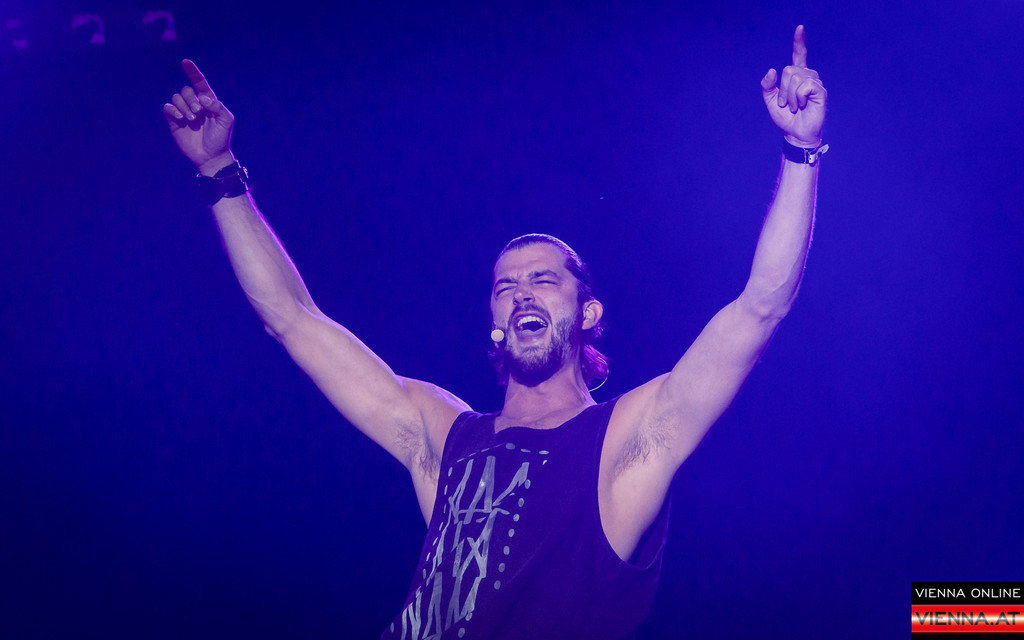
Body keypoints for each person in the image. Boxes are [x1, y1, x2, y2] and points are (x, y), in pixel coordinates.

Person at [164, 25, 826, 640]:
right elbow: (291, 318)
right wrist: (219, 173)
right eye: (506, 286)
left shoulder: (623, 441)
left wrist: (801, 151)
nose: (522, 293)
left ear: (588, 313)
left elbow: (759, 308)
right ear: (495, 323)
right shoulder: (445, 436)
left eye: (543, 280)